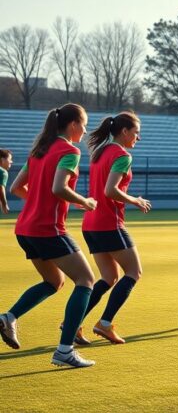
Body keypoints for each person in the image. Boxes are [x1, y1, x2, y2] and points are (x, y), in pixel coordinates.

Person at [0, 103, 97, 368]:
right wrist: (85, 202)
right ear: (74, 124)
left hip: (25, 229)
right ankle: (64, 350)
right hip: (48, 229)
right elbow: (59, 187)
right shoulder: (70, 150)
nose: (86, 130)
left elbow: (17, 187)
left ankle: (8, 317)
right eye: (85, 124)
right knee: (86, 280)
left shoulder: (38, 151)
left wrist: (41, 200)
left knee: (54, 281)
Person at [76, 111, 151, 345]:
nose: (138, 138)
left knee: (109, 277)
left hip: (91, 224)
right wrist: (135, 200)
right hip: (109, 223)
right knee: (134, 273)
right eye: (136, 133)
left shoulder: (101, 152)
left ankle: (74, 323)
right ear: (125, 131)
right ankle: (105, 324)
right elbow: (110, 190)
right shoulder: (122, 155)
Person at [0, 148, 12, 214]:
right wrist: (4, 204)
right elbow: (1, 188)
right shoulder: (2, 172)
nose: (11, 162)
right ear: (2, 160)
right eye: (10, 159)